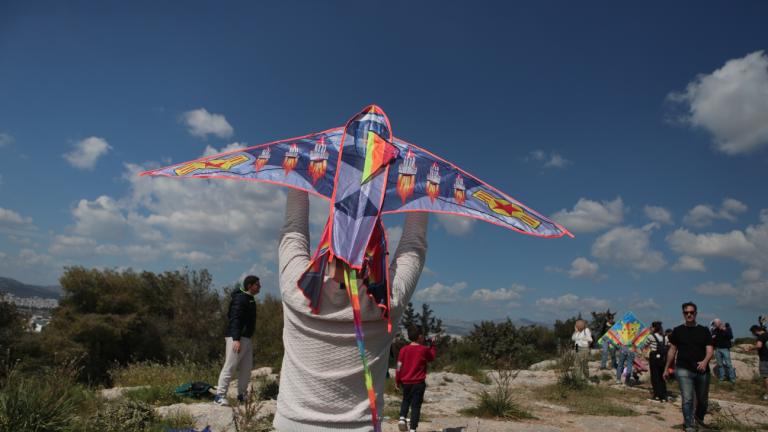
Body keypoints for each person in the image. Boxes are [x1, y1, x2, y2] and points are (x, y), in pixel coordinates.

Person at [273, 189, 429, 431]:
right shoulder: (388, 302)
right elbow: (413, 246)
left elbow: (293, 231)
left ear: (327, 241)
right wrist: (423, 187)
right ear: (379, 251)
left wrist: (300, 171)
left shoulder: (297, 289)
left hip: (292, 423)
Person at [664, 302, 714, 432]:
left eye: (692, 312)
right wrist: (666, 368)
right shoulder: (677, 330)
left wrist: (705, 361)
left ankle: (698, 420)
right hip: (683, 368)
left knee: (702, 400)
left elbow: (710, 350)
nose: (689, 315)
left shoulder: (704, 330)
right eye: (686, 313)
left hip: (702, 369)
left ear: (696, 313)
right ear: (683, 314)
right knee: (688, 398)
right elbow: (672, 350)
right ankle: (688, 425)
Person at [214, 275, 261, 406]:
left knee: (246, 369)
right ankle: (219, 396)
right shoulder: (240, 299)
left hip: (246, 338)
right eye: (257, 285)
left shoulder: (250, 299)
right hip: (237, 338)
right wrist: (236, 339)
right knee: (230, 366)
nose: (260, 287)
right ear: (250, 286)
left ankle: (242, 396)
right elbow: (235, 319)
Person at [395, 325, 437, 432]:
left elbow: (399, 365)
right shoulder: (423, 349)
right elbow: (431, 357)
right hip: (418, 383)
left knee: (405, 400)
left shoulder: (404, 350)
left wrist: (397, 380)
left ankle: (402, 418)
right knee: (416, 406)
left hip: (406, 382)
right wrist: (432, 344)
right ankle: (413, 429)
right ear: (420, 337)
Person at [646, 321, 668, 401]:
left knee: (655, 376)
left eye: (651, 327)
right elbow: (668, 345)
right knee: (662, 376)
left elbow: (645, 344)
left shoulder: (651, 337)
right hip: (663, 358)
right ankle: (664, 395)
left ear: (654, 328)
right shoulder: (665, 337)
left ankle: (657, 394)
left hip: (654, 357)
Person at [711, 318, 736, 383]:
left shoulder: (727, 329)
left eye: (715, 323)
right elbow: (712, 339)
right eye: (714, 323)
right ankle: (722, 378)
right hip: (717, 349)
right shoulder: (714, 330)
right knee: (720, 364)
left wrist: (724, 330)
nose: (714, 324)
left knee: (728, 364)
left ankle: (732, 379)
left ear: (719, 323)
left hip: (725, 349)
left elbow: (731, 336)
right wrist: (712, 338)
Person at [748, 325, 768, 400]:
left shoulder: (761, 337)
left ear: (755, 331)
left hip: (764, 359)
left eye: (753, 333)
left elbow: (759, 346)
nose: (753, 335)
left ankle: (767, 394)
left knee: (766, 377)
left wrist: (751, 348)